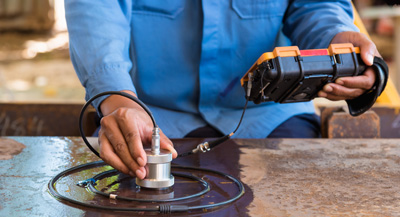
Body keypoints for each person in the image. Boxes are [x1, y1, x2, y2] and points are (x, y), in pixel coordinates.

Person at [65, 1, 379, 179]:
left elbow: (315, 7)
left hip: (272, 115)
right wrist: (117, 96)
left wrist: (335, 40)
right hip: (151, 117)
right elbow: (97, 10)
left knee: (300, 206)